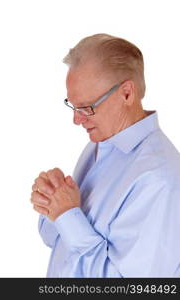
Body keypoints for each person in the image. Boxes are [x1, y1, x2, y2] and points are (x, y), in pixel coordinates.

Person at [30, 33, 180, 277]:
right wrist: (53, 204)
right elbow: (62, 246)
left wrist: (67, 215)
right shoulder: (99, 145)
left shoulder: (159, 180)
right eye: (73, 106)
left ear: (127, 94)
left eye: (87, 108)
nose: (76, 120)